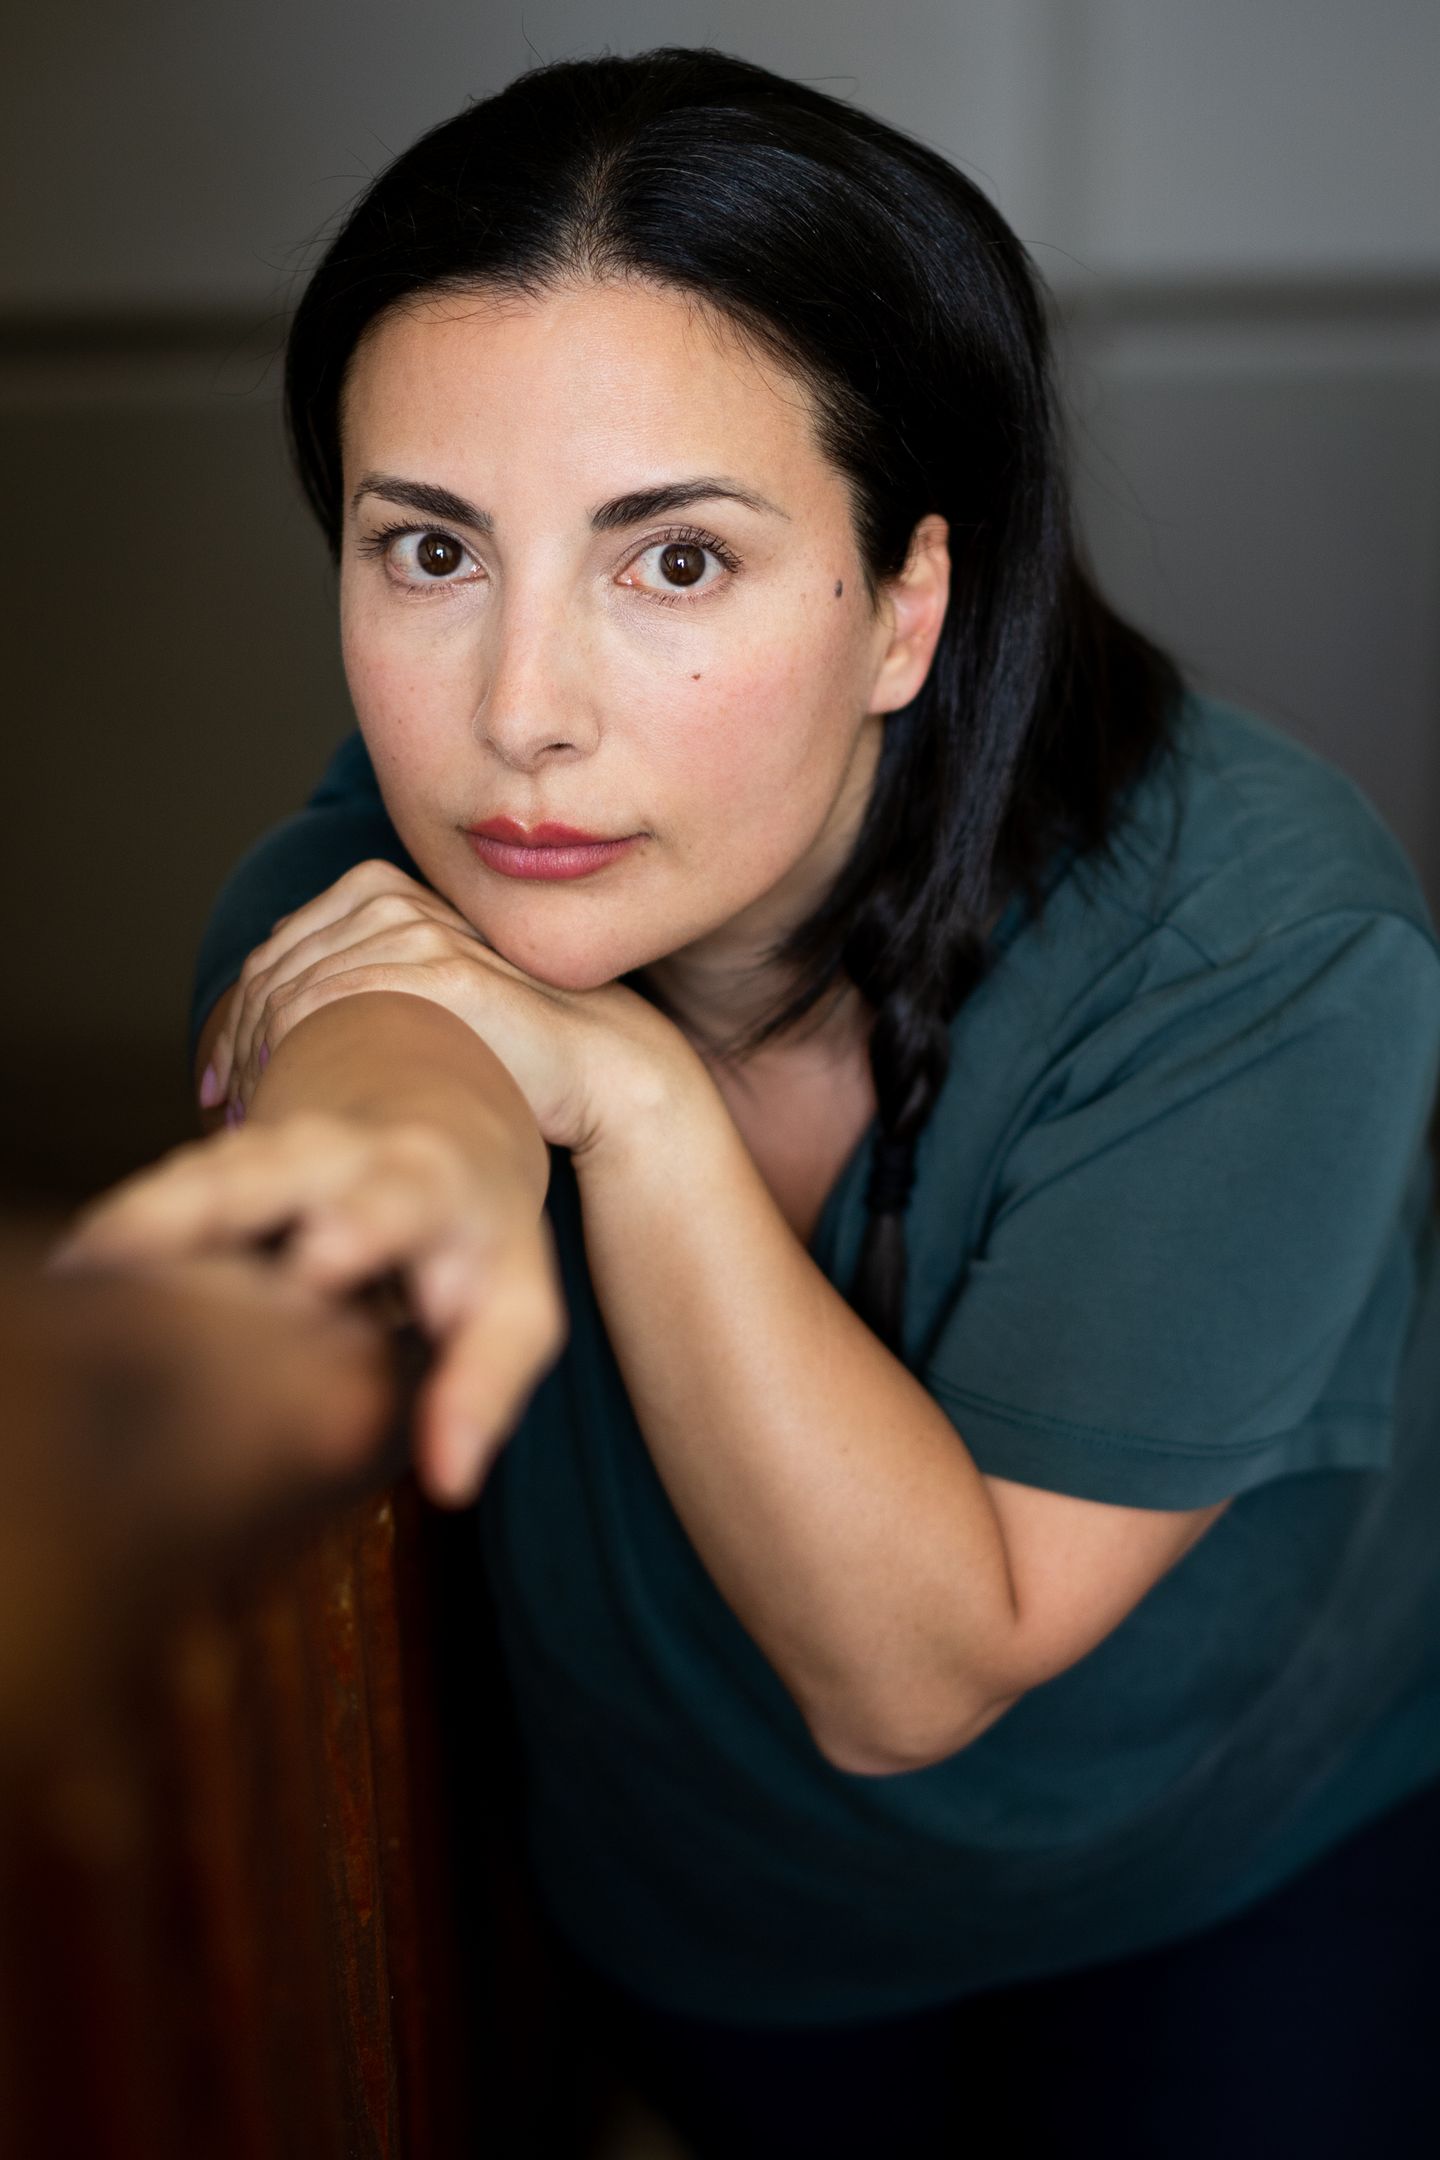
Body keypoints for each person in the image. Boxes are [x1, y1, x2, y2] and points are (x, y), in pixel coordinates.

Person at [56, 46, 1440, 2159]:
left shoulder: (1260, 935)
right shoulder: (367, 897)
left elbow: (914, 1675)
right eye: (428, 550)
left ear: (904, 607)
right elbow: (390, 1085)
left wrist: (634, 1106)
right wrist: (390, 1157)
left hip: (1255, 1850)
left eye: (676, 562)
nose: (521, 713)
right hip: (720, 1917)